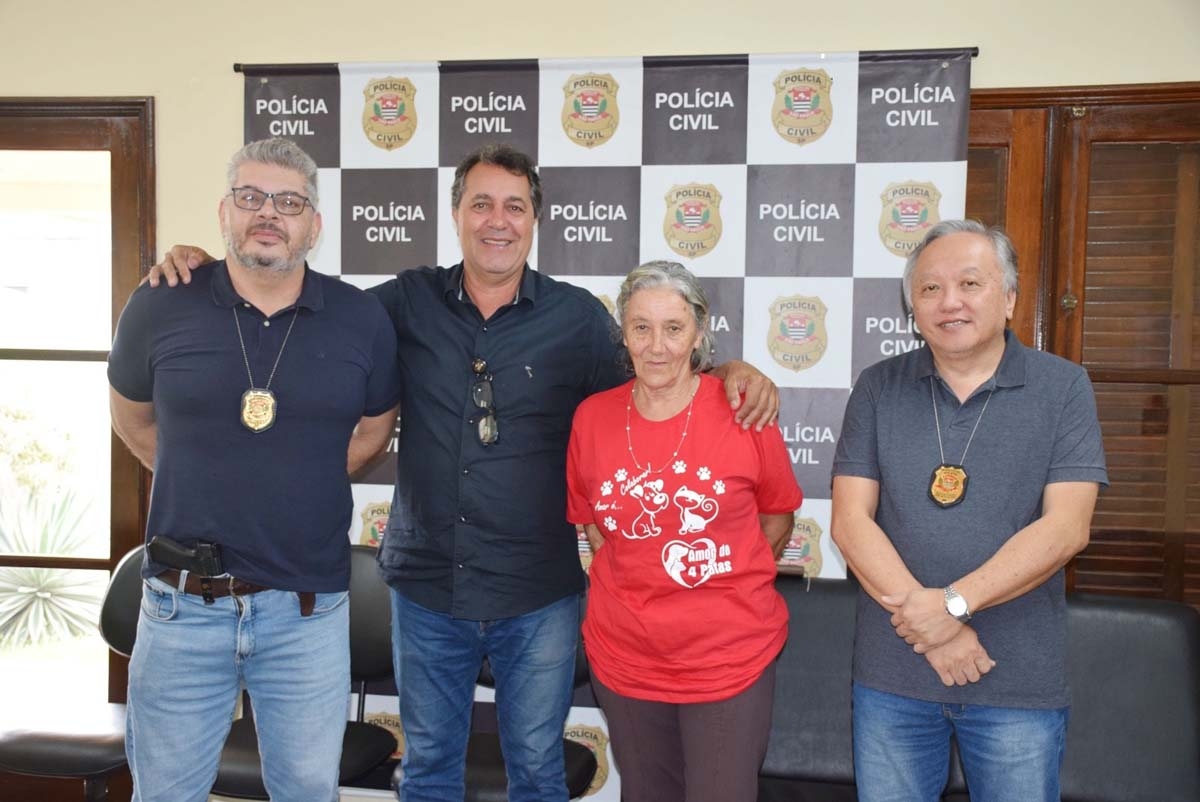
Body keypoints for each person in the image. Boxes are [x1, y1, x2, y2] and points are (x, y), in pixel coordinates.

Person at [146, 143, 779, 802]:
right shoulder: (402, 302)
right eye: (481, 204)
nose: (497, 221)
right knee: (428, 773)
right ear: (456, 215)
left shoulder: (578, 320)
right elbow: (301, 300)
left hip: (538, 594)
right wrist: (208, 267)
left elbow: (658, 379)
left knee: (537, 772)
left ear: (535, 220)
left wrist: (729, 372)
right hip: (427, 589)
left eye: (515, 206)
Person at [107, 137, 402, 802]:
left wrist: (302, 474)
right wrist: (194, 472)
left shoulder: (360, 318)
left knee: (307, 793)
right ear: (225, 212)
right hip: (181, 607)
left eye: (288, 202)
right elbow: (132, 418)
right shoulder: (160, 302)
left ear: (314, 225)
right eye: (251, 197)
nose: (268, 213)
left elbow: (373, 430)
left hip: (307, 613)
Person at [830, 219, 1108, 802]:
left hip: (1015, 680)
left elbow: (1066, 528)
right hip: (893, 678)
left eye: (970, 283)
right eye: (930, 288)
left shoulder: (1063, 388)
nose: (949, 301)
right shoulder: (878, 386)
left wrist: (953, 605)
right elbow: (851, 523)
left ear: (1008, 299)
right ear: (913, 309)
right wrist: (937, 634)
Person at [565, 260, 802, 802]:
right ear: (623, 333)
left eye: (673, 328)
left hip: (728, 662)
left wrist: (719, 584)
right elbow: (597, 527)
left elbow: (776, 520)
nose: (656, 346)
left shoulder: (744, 411)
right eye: (640, 327)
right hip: (624, 660)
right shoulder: (592, 418)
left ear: (699, 333)